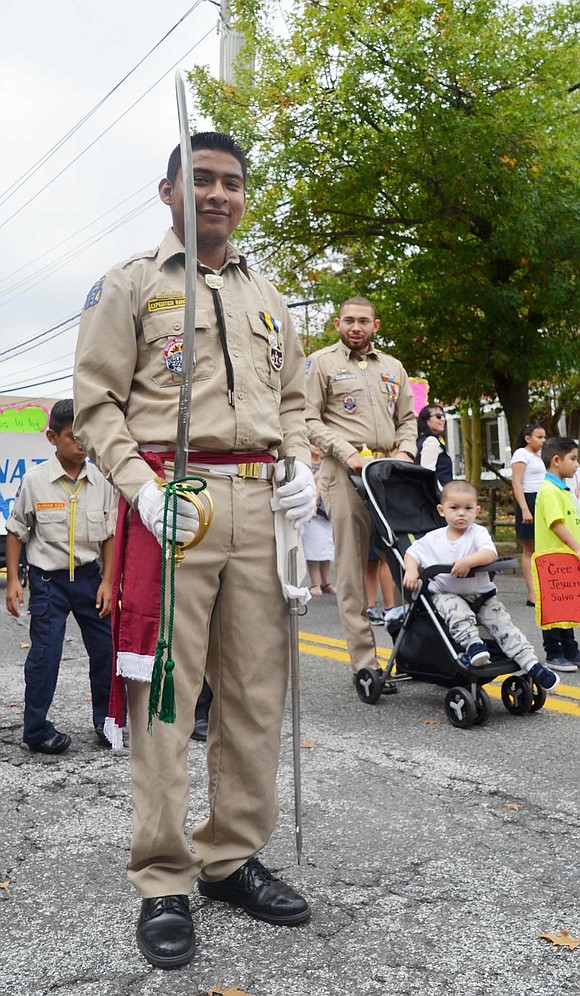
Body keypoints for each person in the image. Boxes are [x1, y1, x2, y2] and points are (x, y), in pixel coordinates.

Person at [73, 132, 316, 969]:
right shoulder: (131, 283)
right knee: (168, 700)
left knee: (255, 692)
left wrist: (302, 466)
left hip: (260, 503)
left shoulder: (269, 295)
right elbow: (96, 401)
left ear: (245, 197)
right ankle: (165, 876)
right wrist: (139, 485)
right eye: (202, 180)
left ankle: (228, 856)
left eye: (233, 183)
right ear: (169, 190)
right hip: (175, 500)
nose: (219, 194)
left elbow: (294, 400)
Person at [305, 296, 417, 680]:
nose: (356, 327)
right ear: (338, 324)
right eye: (349, 320)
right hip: (345, 472)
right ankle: (366, 665)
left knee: (406, 562)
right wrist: (346, 452)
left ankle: (415, 653)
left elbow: (407, 418)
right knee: (352, 568)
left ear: (376, 325)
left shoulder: (394, 367)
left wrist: (405, 450)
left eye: (364, 321)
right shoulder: (322, 363)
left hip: (390, 470)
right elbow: (308, 417)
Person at [4, 399, 115, 753]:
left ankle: (107, 722)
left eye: (85, 435)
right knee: (44, 656)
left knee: (106, 651)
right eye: (72, 436)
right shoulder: (36, 481)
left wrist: (109, 582)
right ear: (52, 437)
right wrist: (13, 582)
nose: (81, 443)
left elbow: (110, 536)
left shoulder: (101, 481)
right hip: (48, 583)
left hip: (90, 580)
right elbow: (16, 531)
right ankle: (36, 730)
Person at [402, 480, 559, 691]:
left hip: (481, 595)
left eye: (468, 509)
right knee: (458, 615)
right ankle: (474, 646)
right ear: (441, 510)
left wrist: (469, 561)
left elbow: (489, 553)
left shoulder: (477, 533)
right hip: (447, 593)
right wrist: (411, 570)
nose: (461, 514)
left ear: (476, 510)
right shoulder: (433, 539)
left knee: (504, 625)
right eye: (454, 508)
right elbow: (412, 553)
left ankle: (530, 662)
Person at [534, 436, 580, 672]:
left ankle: (571, 651)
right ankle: (554, 653)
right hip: (551, 560)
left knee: (566, 606)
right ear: (556, 460)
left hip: (564, 559)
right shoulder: (549, 490)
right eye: (573, 459)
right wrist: (577, 547)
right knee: (552, 608)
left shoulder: (563, 490)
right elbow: (556, 524)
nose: (576, 464)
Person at [510, 422, 546, 606]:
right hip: (529, 500)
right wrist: (524, 508)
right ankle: (532, 594)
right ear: (527, 438)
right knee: (529, 549)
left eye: (544, 437)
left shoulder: (539, 456)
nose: (543, 441)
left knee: (543, 547)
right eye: (539, 437)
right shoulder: (521, 454)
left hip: (542, 500)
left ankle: (545, 589)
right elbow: (516, 482)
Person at [302, 444, 335, 596]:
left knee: (327, 549)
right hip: (312, 512)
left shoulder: (326, 462)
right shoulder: (305, 464)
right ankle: (315, 583)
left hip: (327, 510)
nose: (316, 447)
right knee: (313, 549)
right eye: (312, 443)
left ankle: (326, 582)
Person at [415, 404, 453, 488]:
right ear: (427, 421)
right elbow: (428, 473)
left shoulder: (423, 440)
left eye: (444, 416)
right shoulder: (431, 442)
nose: (443, 419)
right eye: (438, 416)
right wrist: (441, 494)